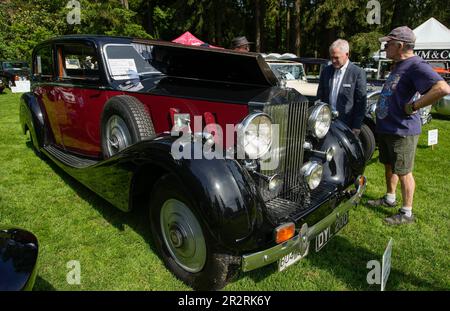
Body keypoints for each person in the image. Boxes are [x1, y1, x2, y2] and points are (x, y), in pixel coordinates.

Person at [367, 26, 450, 225]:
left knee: (404, 170)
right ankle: (389, 198)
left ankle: (406, 213)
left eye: (389, 43)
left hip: (402, 130)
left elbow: (442, 88)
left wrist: (414, 106)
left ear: (400, 45)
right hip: (388, 127)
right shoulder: (399, 64)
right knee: (389, 165)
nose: (385, 46)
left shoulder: (415, 65)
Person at [317, 39, 367, 136]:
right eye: (331, 57)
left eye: (336, 57)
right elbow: (320, 96)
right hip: (326, 123)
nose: (333, 61)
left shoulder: (357, 73)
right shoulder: (326, 72)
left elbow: (360, 102)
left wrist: (356, 126)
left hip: (346, 125)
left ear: (347, 54)